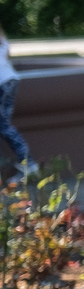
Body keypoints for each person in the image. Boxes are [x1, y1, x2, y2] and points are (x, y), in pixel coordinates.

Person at [0, 21, 28, 177]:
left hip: (3, 83)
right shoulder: (2, 40)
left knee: (4, 126)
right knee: (4, 125)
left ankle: (28, 165)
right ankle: (27, 165)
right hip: (10, 80)